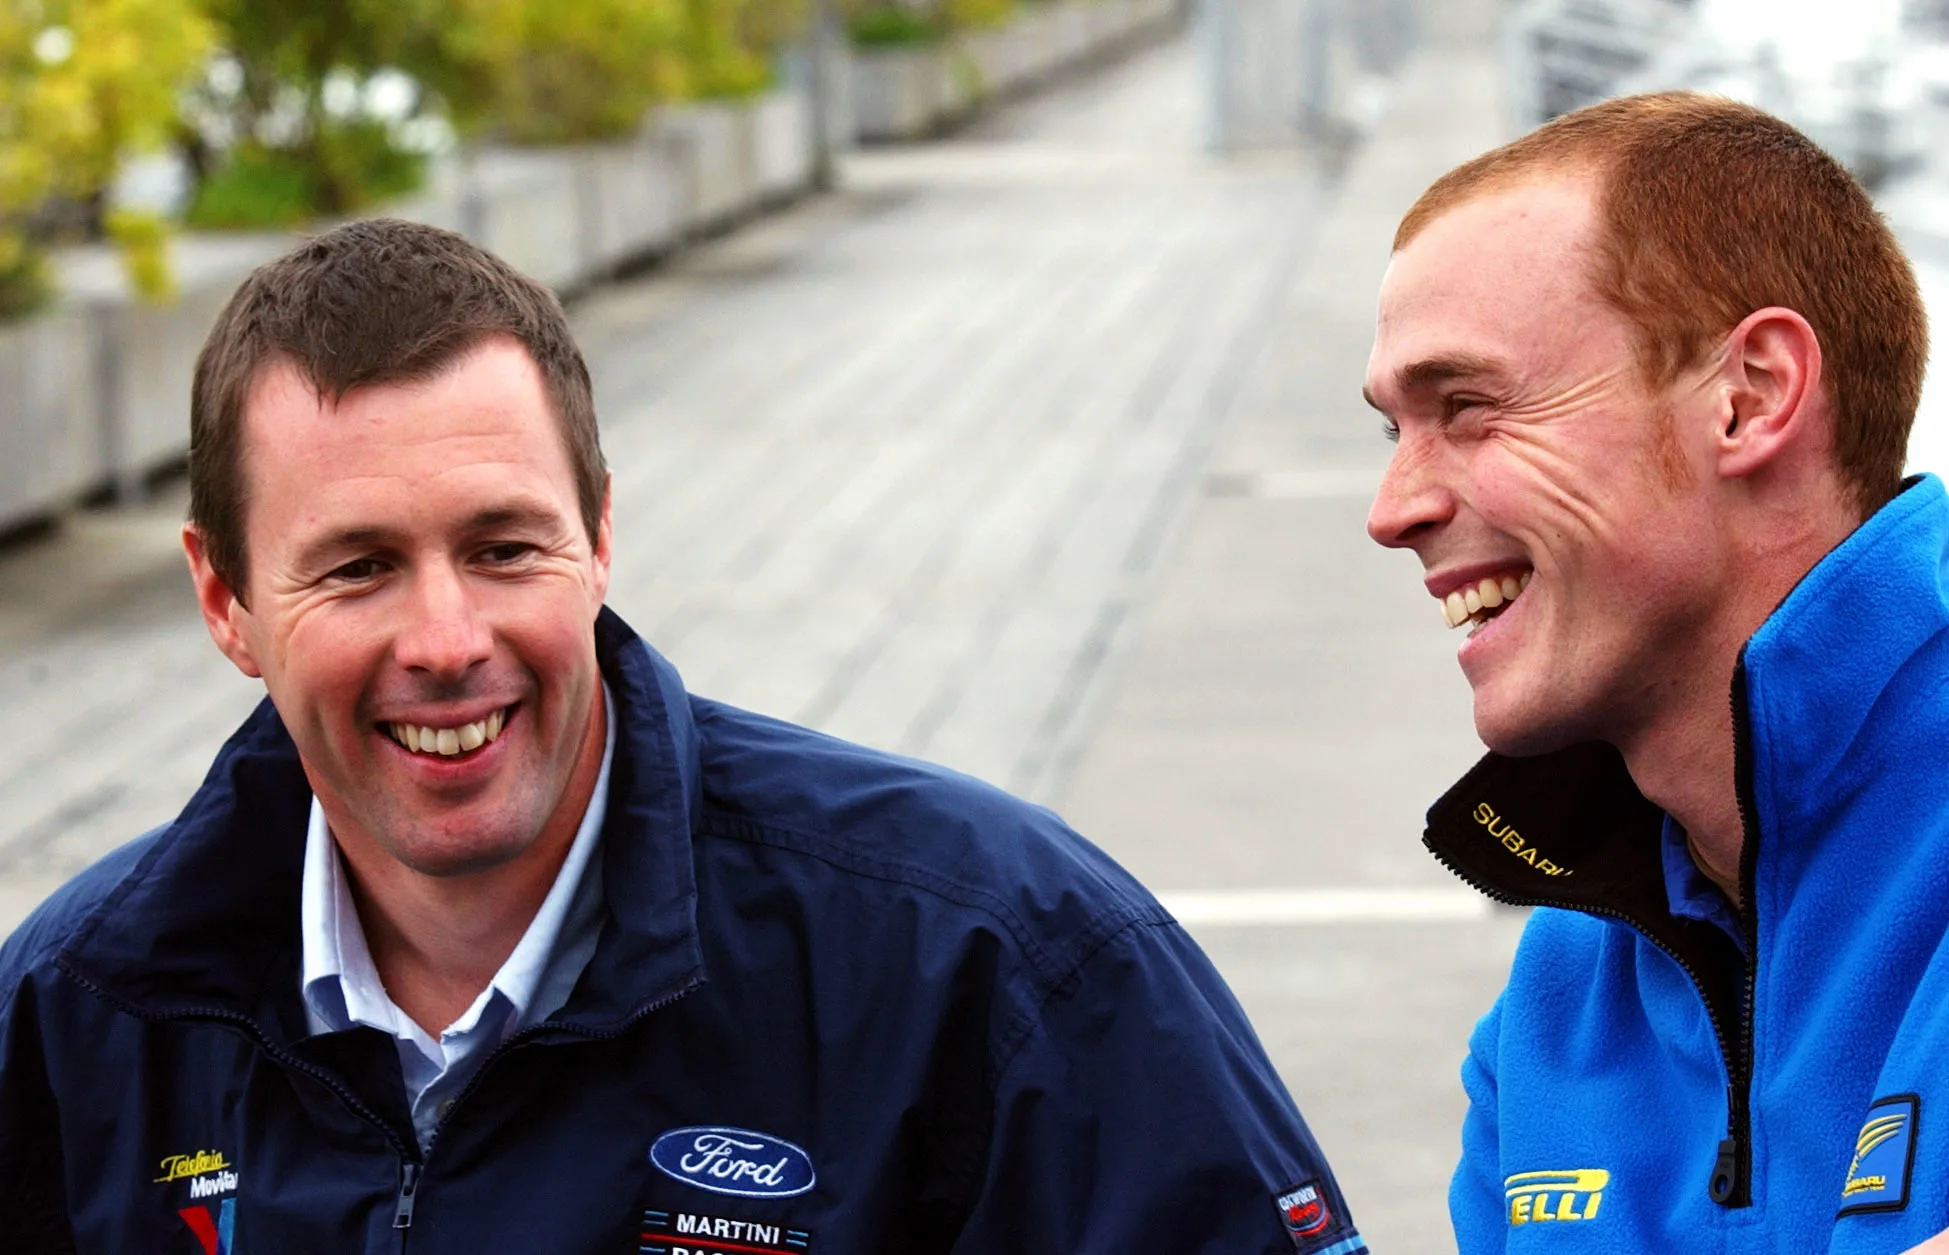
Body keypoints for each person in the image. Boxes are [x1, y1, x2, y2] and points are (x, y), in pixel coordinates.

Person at [0, 218, 1364, 1254]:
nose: (445, 635)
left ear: (598, 537)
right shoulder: (78, 1013)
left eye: (502, 544)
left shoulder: (998, 960)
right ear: (224, 597)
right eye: (355, 566)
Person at [1363, 92, 1949, 1252]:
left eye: (1467, 407)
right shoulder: (1555, 1008)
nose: (1393, 512)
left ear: (1749, 395)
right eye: (1393, 429)